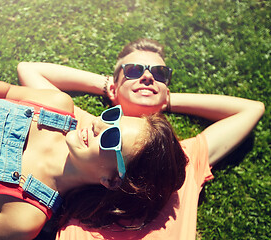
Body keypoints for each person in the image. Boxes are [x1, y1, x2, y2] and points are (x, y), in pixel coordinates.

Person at [0, 69, 188, 240]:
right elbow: (6, 92)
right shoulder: (57, 105)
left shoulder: (27, 215)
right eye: (111, 118)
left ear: (111, 180)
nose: (97, 124)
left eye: (111, 137)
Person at [16, 38, 265, 239]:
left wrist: (166, 98)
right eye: (134, 71)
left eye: (159, 74)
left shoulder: (181, 158)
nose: (147, 77)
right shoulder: (86, 133)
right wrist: (109, 86)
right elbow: (29, 70)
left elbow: (251, 109)